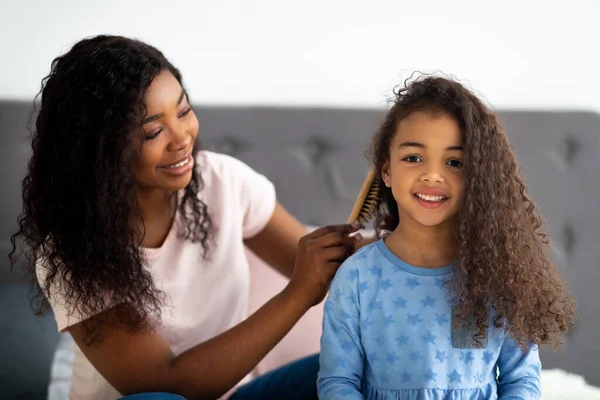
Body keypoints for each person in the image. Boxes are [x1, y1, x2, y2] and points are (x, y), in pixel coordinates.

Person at [9, 34, 368, 400]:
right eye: (153, 131)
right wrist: (297, 294)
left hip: (236, 395)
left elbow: (328, 262)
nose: (182, 138)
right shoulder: (74, 252)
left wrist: (407, 237)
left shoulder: (222, 180)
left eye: (183, 111)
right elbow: (165, 382)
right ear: (100, 149)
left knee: (354, 369)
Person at [317, 76, 577, 399]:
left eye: (454, 162)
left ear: (476, 177)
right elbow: (337, 384)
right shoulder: (356, 279)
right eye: (413, 158)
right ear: (386, 169)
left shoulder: (497, 276)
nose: (432, 175)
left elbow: (521, 380)